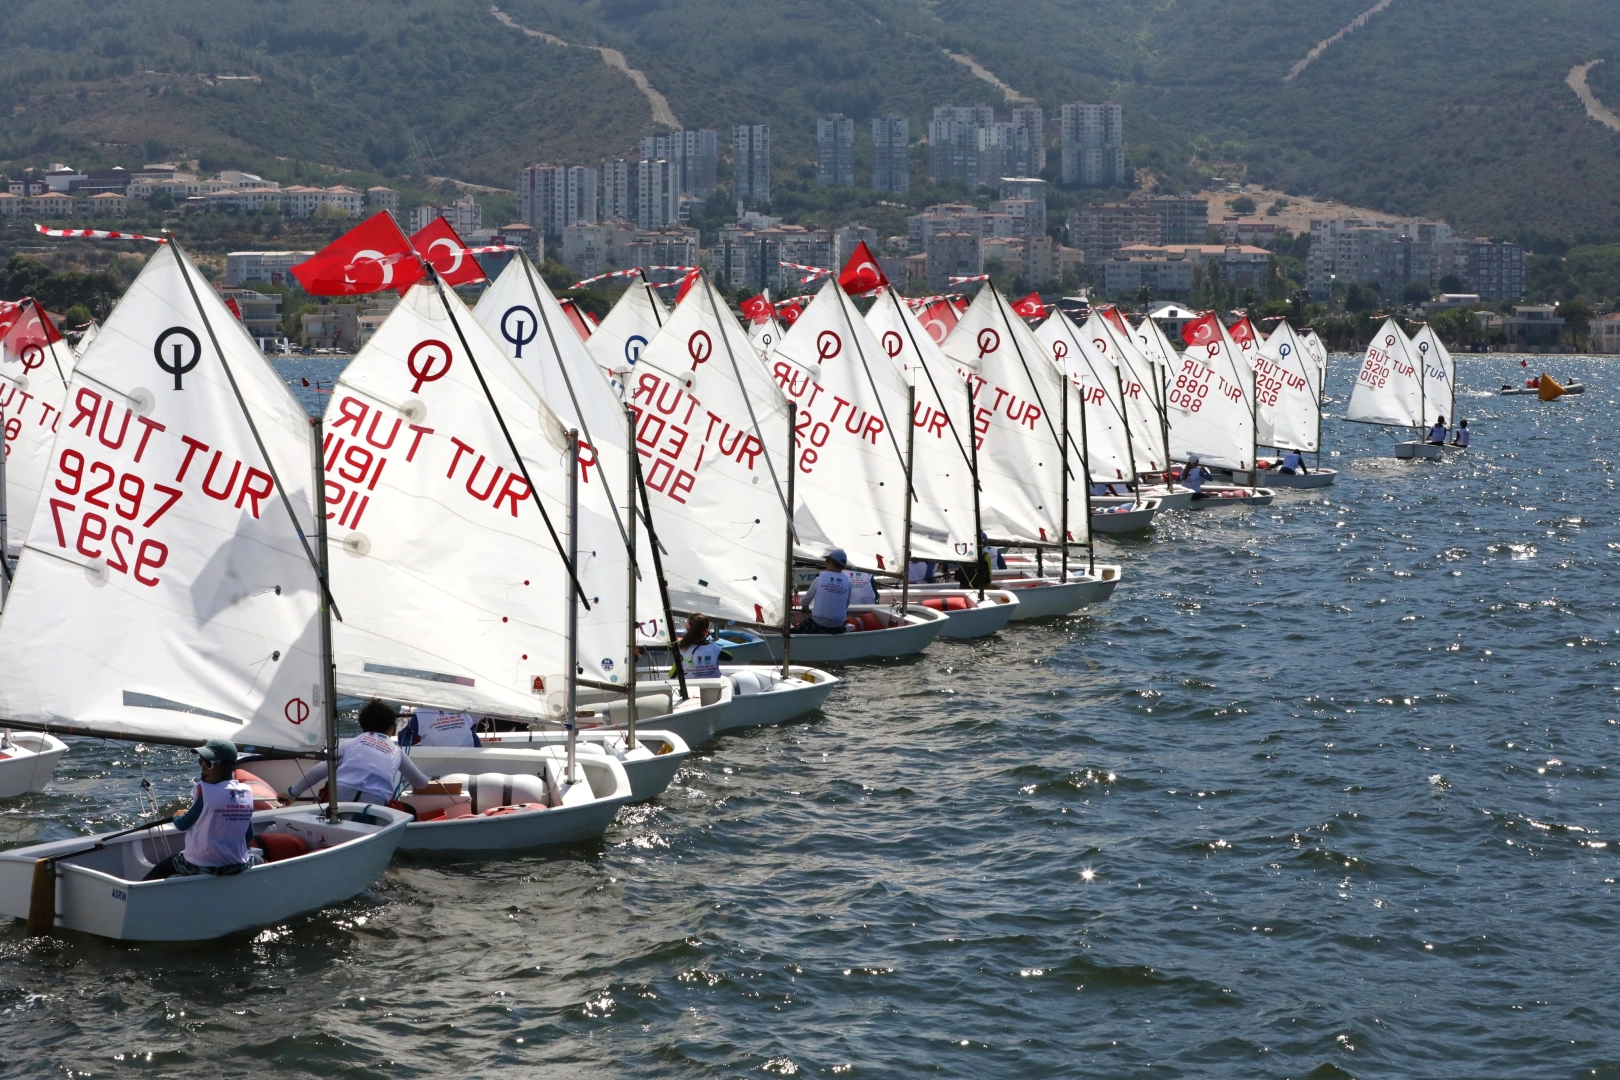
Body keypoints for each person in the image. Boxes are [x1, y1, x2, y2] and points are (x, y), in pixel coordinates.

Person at [146, 738, 258, 879]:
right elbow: (248, 836)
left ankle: (140, 891)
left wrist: (177, 815)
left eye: (208, 764)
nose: (203, 768)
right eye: (201, 762)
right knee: (258, 859)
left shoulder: (206, 793)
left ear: (225, 766)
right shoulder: (245, 793)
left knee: (166, 865)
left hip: (200, 867)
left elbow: (182, 824)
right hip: (236, 866)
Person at [288, 699, 431, 806]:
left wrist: (292, 793)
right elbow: (421, 783)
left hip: (341, 793)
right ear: (391, 729)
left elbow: (320, 770)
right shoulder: (397, 752)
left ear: (363, 725)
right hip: (375, 801)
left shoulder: (350, 743)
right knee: (409, 811)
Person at [797, 549, 852, 634]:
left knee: (794, 631)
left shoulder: (819, 579)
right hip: (837, 627)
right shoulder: (848, 583)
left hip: (818, 624)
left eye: (827, 561)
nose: (826, 564)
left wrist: (805, 607)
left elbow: (805, 601)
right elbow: (846, 605)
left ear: (831, 563)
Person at [400, 709, 482, 748]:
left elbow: (403, 740)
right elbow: (474, 739)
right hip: (468, 760)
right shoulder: (462, 709)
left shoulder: (421, 714)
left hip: (435, 764)